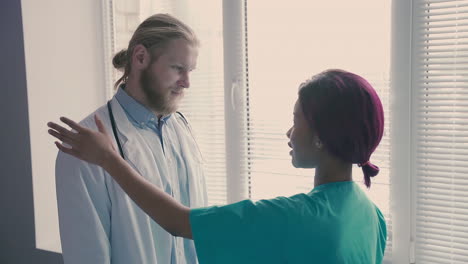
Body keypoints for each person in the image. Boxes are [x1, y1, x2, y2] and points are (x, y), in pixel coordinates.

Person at [49, 69, 387, 263]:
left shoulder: (296, 217)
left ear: (320, 137)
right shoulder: (371, 216)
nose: (289, 131)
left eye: (295, 120)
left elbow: (179, 222)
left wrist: (108, 158)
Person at [54, 14, 207, 264]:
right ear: (140, 58)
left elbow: (192, 224)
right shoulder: (82, 147)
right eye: (178, 69)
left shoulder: (182, 128)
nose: (187, 83)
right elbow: (87, 255)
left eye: (190, 70)